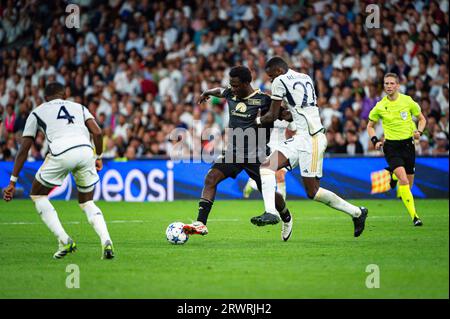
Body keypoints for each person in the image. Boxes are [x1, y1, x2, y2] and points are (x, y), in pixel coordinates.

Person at [251, 56, 368, 237]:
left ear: (279, 71)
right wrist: (286, 115)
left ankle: (357, 213)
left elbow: (272, 115)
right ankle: (271, 213)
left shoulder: (280, 81)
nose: (271, 80)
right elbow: (300, 110)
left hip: (312, 140)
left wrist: (254, 121)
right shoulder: (305, 77)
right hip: (301, 137)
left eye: (271, 76)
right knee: (267, 166)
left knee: (312, 192)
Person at [3, 82, 115, 259]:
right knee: (87, 202)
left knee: (37, 195)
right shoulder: (79, 107)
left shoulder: (37, 111)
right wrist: (98, 156)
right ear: (64, 94)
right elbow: (98, 132)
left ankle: (64, 240)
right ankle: (106, 241)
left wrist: (12, 182)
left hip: (62, 152)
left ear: (45, 97)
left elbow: (24, 149)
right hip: (86, 151)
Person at [183, 66, 294, 240]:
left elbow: (283, 114)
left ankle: (286, 217)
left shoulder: (264, 99)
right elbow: (219, 91)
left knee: (269, 193)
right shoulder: (230, 93)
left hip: (257, 155)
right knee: (211, 178)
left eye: (235, 85)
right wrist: (207, 92)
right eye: (231, 85)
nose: (232, 89)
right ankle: (201, 223)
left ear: (246, 83)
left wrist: (288, 115)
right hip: (233, 153)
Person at [367, 73, 427, 226]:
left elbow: (422, 119)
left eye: (392, 83)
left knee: (408, 185)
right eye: (386, 83)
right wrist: (375, 140)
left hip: (408, 146)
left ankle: (393, 176)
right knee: (404, 180)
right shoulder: (380, 106)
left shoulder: (407, 101)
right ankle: (415, 217)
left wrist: (419, 132)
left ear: (398, 85)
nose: (389, 86)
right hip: (391, 147)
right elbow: (370, 126)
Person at [243, 117, 296, 200]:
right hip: (268, 148)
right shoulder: (269, 113)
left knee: (280, 175)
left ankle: (282, 207)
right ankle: (252, 183)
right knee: (268, 176)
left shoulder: (287, 114)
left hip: (282, 149)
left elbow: (293, 132)